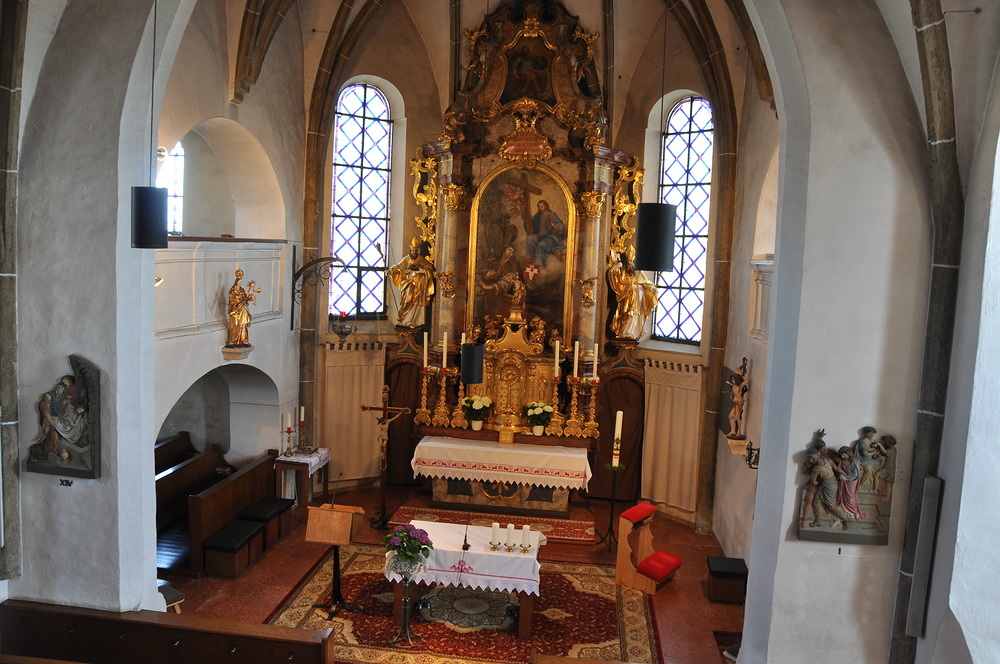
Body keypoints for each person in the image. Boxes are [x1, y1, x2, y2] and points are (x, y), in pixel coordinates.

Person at [607, 248, 657, 340]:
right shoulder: (623, 270)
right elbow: (618, 280)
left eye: (632, 261)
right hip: (627, 298)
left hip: (638, 299)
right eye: (629, 260)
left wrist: (651, 288)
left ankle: (633, 333)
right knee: (627, 314)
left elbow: (645, 282)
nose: (630, 263)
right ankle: (624, 332)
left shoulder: (637, 272)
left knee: (636, 315)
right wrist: (616, 267)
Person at [388, 237, 436, 327]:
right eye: (413, 250)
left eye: (416, 250)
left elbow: (429, 269)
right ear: (410, 250)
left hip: (419, 286)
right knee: (407, 300)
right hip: (409, 283)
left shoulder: (421, 260)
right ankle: (404, 319)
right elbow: (398, 268)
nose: (414, 252)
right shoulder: (406, 259)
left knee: (416, 303)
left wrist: (420, 270)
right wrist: (391, 271)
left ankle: (414, 320)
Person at [832, 446, 870, 520]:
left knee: (850, 497)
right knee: (842, 496)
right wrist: (841, 475)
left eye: (844, 455)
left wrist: (846, 477)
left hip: (852, 482)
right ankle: (845, 512)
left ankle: (854, 512)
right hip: (843, 482)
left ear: (849, 454)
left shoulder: (855, 461)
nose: (842, 457)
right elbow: (839, 470)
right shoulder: (842, 461)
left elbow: (855, 474)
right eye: (841, 455)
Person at [526, 200, 566, 267]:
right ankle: (531, 258)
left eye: (542, 206)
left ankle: (540, 265)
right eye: (539, 207)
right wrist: (524, 216)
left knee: (541, 245)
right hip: (540, 236)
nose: (540, 208)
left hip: (550, 238)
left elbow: (561, 226)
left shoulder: (551, 215)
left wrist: (552, 224)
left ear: (546, 206)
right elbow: (530, 220)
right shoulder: (538, 216)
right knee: (529, 238)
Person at [226, 269, 261, 346]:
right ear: (237, 282)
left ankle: (243, 339)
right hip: (236, 310)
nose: (241, 283)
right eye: (240, 282)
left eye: (241, 282)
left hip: (243, 309)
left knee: (243, 324)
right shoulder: (233, 290)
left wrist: (250, 298)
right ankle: (234, 340)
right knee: (236, 325)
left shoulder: (242, 290)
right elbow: (232, 299)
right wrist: (238, 302)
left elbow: (245, 298)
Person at [852, 426, 880, 493]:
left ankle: (875, 487)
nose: (872, 436)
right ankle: (861, 486)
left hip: (872, 460)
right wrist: (873, 452)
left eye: (873, 434)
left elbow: (877, 451)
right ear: (866, 433)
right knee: (868, 471)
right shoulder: (862, 442)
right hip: (864, 460)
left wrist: (877, 454)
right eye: (870, 434)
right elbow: (865, 454)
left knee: (879, 469)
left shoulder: (874, 442)